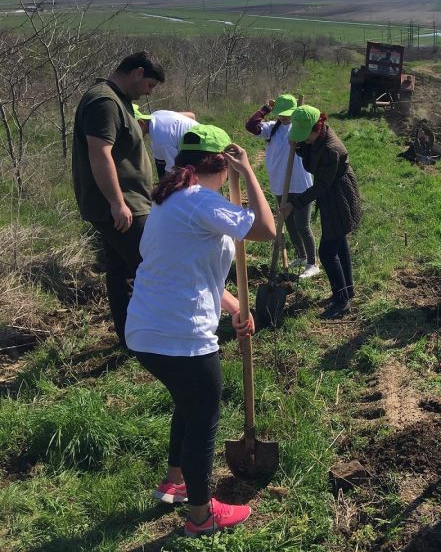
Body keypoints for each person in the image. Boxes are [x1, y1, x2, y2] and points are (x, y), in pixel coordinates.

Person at [125, 125, 276, 537]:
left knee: (187, 404)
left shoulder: (170, 199)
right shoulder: (201, 202)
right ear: (221, 165)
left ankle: (175, 481)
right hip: (180, 336)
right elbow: (266, 229)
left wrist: (233, 307)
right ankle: (200, 515)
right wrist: (248, 173)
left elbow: (191, 271)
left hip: (146, 330)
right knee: (205, 416)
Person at [71, 51, 165, 348]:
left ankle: (130, 339)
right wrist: (117, 202)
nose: (149, 92)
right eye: (150, 85)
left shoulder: (118, 100)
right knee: (152, 266)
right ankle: (157, 335)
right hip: (123, 206)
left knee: (121, 271)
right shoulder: (104, 102)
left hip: (127, 202)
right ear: (137, 72)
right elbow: (100, 153)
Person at [281, 106, 362, 319]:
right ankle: (347, 290)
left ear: (316, 128)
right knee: (339, 243)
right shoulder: (318, 137)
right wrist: (299, 146)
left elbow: (322, 185)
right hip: (331, 195)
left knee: (327, 251)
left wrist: (294, 203)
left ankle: (342, 301)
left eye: (305, 137)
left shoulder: (331, 149)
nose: (304, 140)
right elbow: (311, 158)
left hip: (338, 197)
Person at [246, 94, 320, 277]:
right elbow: (250, 126)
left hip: (301, 184)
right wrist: (265, 109)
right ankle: (301, 256)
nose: (284, 117)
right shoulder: (272, 129)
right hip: (280, 183)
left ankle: (313, 263)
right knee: (289, 222)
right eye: (280, 113)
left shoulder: (300, 129)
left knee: (303, 225)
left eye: (287, 114)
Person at [133, 105, 198, 179]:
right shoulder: (157, 114)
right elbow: (191, 115)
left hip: (200, 152)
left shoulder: (161, 139)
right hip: (196, 139)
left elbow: (174, 169)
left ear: (141, 123)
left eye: (132, 130)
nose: (132, 135)